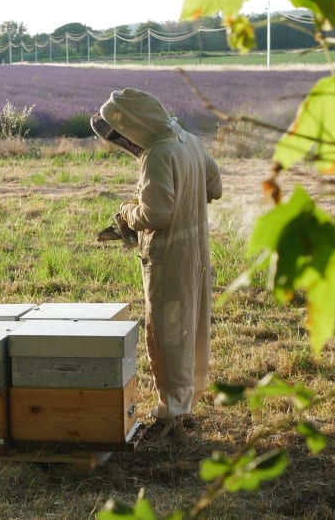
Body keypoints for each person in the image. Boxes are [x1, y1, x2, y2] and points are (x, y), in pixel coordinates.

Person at [91, 88, 222, 437]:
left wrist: (126, 212)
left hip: (169, 257)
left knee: (167, 333)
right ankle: (185, 403)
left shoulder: (159, 152)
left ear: (132, 124)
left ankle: (171, 414)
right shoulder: (189, 140)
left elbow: (157, 213)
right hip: (196, 251)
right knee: (190, 329)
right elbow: (214, 186)